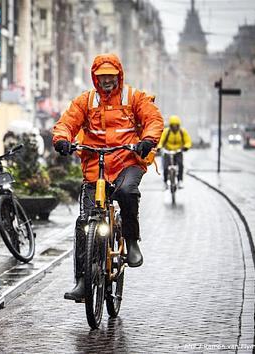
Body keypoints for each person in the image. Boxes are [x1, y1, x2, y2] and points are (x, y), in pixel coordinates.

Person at [52, 53, 163, 301]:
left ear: (118, 75)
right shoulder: (86, 101)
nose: (106, 81)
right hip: (95, 163)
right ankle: (83, 281)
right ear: (95, 77)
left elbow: (153, 119)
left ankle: (131, 241)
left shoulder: (134, 97)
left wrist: (147, 140)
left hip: (128, 161)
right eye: (102, 77)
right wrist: (61, 140)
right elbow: (66, 123)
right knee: (85, 224)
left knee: (126, 192)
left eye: (111, 76)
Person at [157, 115, 192, 189]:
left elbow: (188, 141)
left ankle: (180, 181)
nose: (175, 127)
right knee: (165, 167)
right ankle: (165, 182)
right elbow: (161, 141)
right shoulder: (166, 132)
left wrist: (186, 147)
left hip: (178, 151)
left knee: (180, 165)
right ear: (170, 126)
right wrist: (159, 147)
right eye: (173, 126)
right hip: (168, 151)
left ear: (179, 125)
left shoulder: (182, 132)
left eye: (176, 126)